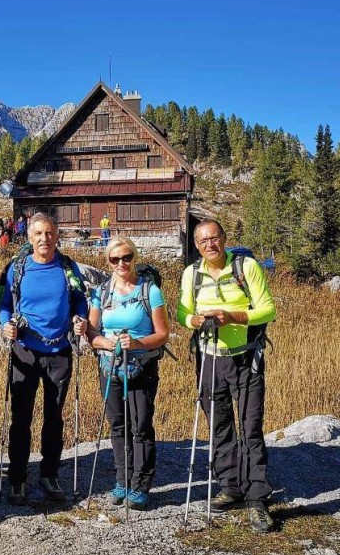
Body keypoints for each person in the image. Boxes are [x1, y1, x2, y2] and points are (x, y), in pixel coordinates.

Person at [176, 219, 277, 533]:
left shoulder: (245, 267)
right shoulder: (191, 274)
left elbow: (268, 309)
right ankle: (229, 486)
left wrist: (231, 316)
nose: (210, 245)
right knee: (218, 425)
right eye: (204, 241)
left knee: (250, 426)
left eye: (215, 238)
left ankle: (257, 498)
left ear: (224, 238)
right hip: (209, 360)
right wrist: (195, 320)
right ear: (197, 245)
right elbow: (182, 313)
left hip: (246, 358)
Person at [0, 213, 88, 504]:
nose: (44, 239)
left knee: (54, 416)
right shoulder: (17, 268)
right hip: (24, 349)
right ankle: (18, 479)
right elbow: (1, 304)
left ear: (57, 235)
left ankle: (49, 474)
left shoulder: (67, 267)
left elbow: (79, 300)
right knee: (21, 418)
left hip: (59, 351)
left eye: (49, 233)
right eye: (38, 234)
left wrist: (80, 319)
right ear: (29, 237)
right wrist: (6, 324)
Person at [85, 237, 168, 510]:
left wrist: (137, 343)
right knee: (118, 425)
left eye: (126, 257)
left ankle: (141, 484)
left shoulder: (150, 291)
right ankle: (122, 481)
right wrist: (104, 342)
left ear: (134, 257)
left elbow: (162, 334)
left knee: (141, 425)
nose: (121, 263)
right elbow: (91, 332)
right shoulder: (102, 292)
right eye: (114, 259)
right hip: (109, 366)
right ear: (108, 262)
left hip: (141, 366)